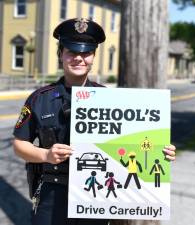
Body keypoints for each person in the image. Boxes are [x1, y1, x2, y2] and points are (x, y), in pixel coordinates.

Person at [13, 18, 176, 225]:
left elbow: (131, 142)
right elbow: (19, 144)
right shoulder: (40, 98)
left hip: (96, 197)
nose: (79, 58)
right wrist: (45, 154)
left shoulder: (110, 99)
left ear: (93, 56)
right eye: (72, 51)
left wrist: (160, 153)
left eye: (86, 52)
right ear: (60, 54)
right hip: (52, 194)